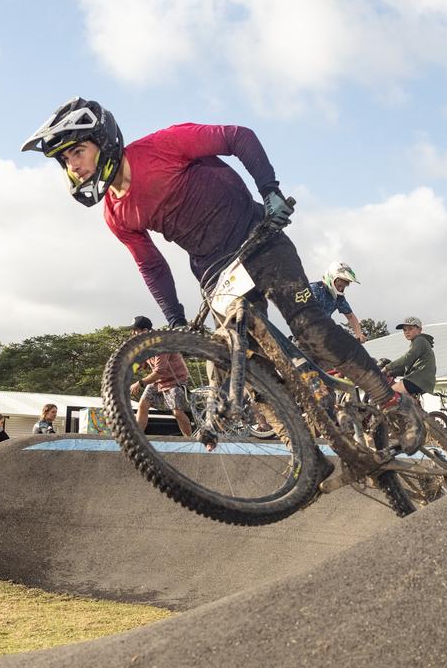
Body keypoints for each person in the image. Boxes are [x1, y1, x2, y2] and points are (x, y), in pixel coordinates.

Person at [21, 99, 424, 453]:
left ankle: (388, 400)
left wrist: (270, 191)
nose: (73, 164)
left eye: (77, 150)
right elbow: (152, 265)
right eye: (64, 159)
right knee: (244, 368)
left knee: (311, 331)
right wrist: (177, 322)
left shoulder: (161, 145)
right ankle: (304, 453)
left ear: (103, 142)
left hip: (259, 239)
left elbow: (238, 136)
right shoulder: (115, 213)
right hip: (217, 274)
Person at [126, 316, 194, 437]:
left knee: (177, 412)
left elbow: (159, 372)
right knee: (143, 404)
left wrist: (140, 383)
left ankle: (190, 440)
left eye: (136, 330)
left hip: (174, 381)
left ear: (145, 331)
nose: (133, 333)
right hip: (159, 381)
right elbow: (142, 364)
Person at [379, 317, 437, 400]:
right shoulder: (418, 344)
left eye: (410, 329)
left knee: (387, 394)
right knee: (399, 402)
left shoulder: (420, 341)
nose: (407, 332)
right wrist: (390, 373)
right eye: (404, 330)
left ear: (419, 330)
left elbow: (406, 358)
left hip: (418, 380)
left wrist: (386, 368)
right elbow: (407, 367)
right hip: (421, 380)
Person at [308, 261, 366, 344]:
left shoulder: (339, 298)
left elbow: (350, 316)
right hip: (307, 334)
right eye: (339, 286)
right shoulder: (314, 289)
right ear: (331, 279)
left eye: (343, 287)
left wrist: (359, 334)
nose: (340, 289)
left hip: (324, 335)